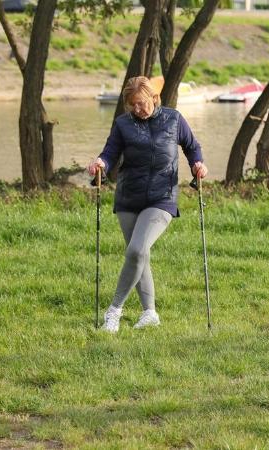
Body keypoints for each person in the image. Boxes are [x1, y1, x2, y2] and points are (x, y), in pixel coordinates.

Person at [87, 76, 208, 333]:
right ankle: (150, 313)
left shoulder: (173, 119)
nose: (137, 110)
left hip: (161, 197)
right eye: (132, 105)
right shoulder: (123, 124)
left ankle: (114, 311)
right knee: (139, 254)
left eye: (141, 103)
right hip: (128, 197)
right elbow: (110, 152)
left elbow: (192, 147)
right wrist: (101, 164)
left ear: (154, 98)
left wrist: (198, 164)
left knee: (136, 251)